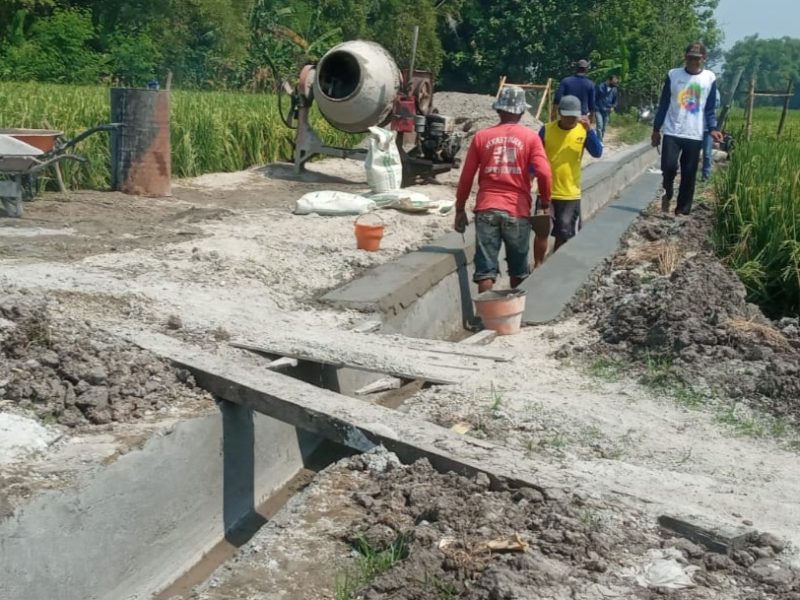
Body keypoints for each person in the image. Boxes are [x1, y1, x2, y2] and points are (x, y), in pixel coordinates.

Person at [455, 85, 552, 292]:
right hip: (517, 211)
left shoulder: (482, 137)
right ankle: (515, 318)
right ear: (521, 111)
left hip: (486, 208)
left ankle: (486, 320)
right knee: (518, 271)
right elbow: (544, 172)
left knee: (485, 271)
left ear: (499, 110)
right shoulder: (531, 138)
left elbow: (466, 177)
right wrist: (544, 203)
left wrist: (459, 209)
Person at [652, 42, 722, 215]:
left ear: (704, 59)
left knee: (689, 174)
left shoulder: (709, 78)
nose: (693, 61)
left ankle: (682, 211)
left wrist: (713, 128)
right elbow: (664, 104)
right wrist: (656, 129)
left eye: (697, 59)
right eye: (690, 57)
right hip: (672, 131)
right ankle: (667, 193)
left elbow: (710, 108)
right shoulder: (673, 75)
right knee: (668, 167)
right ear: (685, 57)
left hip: (695, 133)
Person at [534, 95, 603, 262]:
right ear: (560, 114)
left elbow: (597, 152)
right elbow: (535, 156)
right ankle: (538, 265)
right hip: (546, 191)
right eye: (567, 116)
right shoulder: (547, 130)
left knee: (564, 233)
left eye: (574, 116)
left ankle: (555, 264)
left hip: (570, 193)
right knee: (541, 231)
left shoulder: (582, 131)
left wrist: (590, 131)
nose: (571, 120)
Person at [702, 87, 722, 180]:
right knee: (690, 153)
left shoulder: (714, 91)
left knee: (706, 153)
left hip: (708, 128)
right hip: (693, 128)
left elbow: (715, 105)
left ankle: (706, 176)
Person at [595, 74, 619, 141]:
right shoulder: (600, 87)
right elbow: (594, 98)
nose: (614, 85)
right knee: (599, 126)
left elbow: (615, 101)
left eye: (615, 83)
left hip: (607, 110)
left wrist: (613, 107)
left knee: (604, 127)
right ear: (609, 81)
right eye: (613, 83)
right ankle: (599, 141)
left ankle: (600, 138)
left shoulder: (614, 89)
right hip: (598, 109)